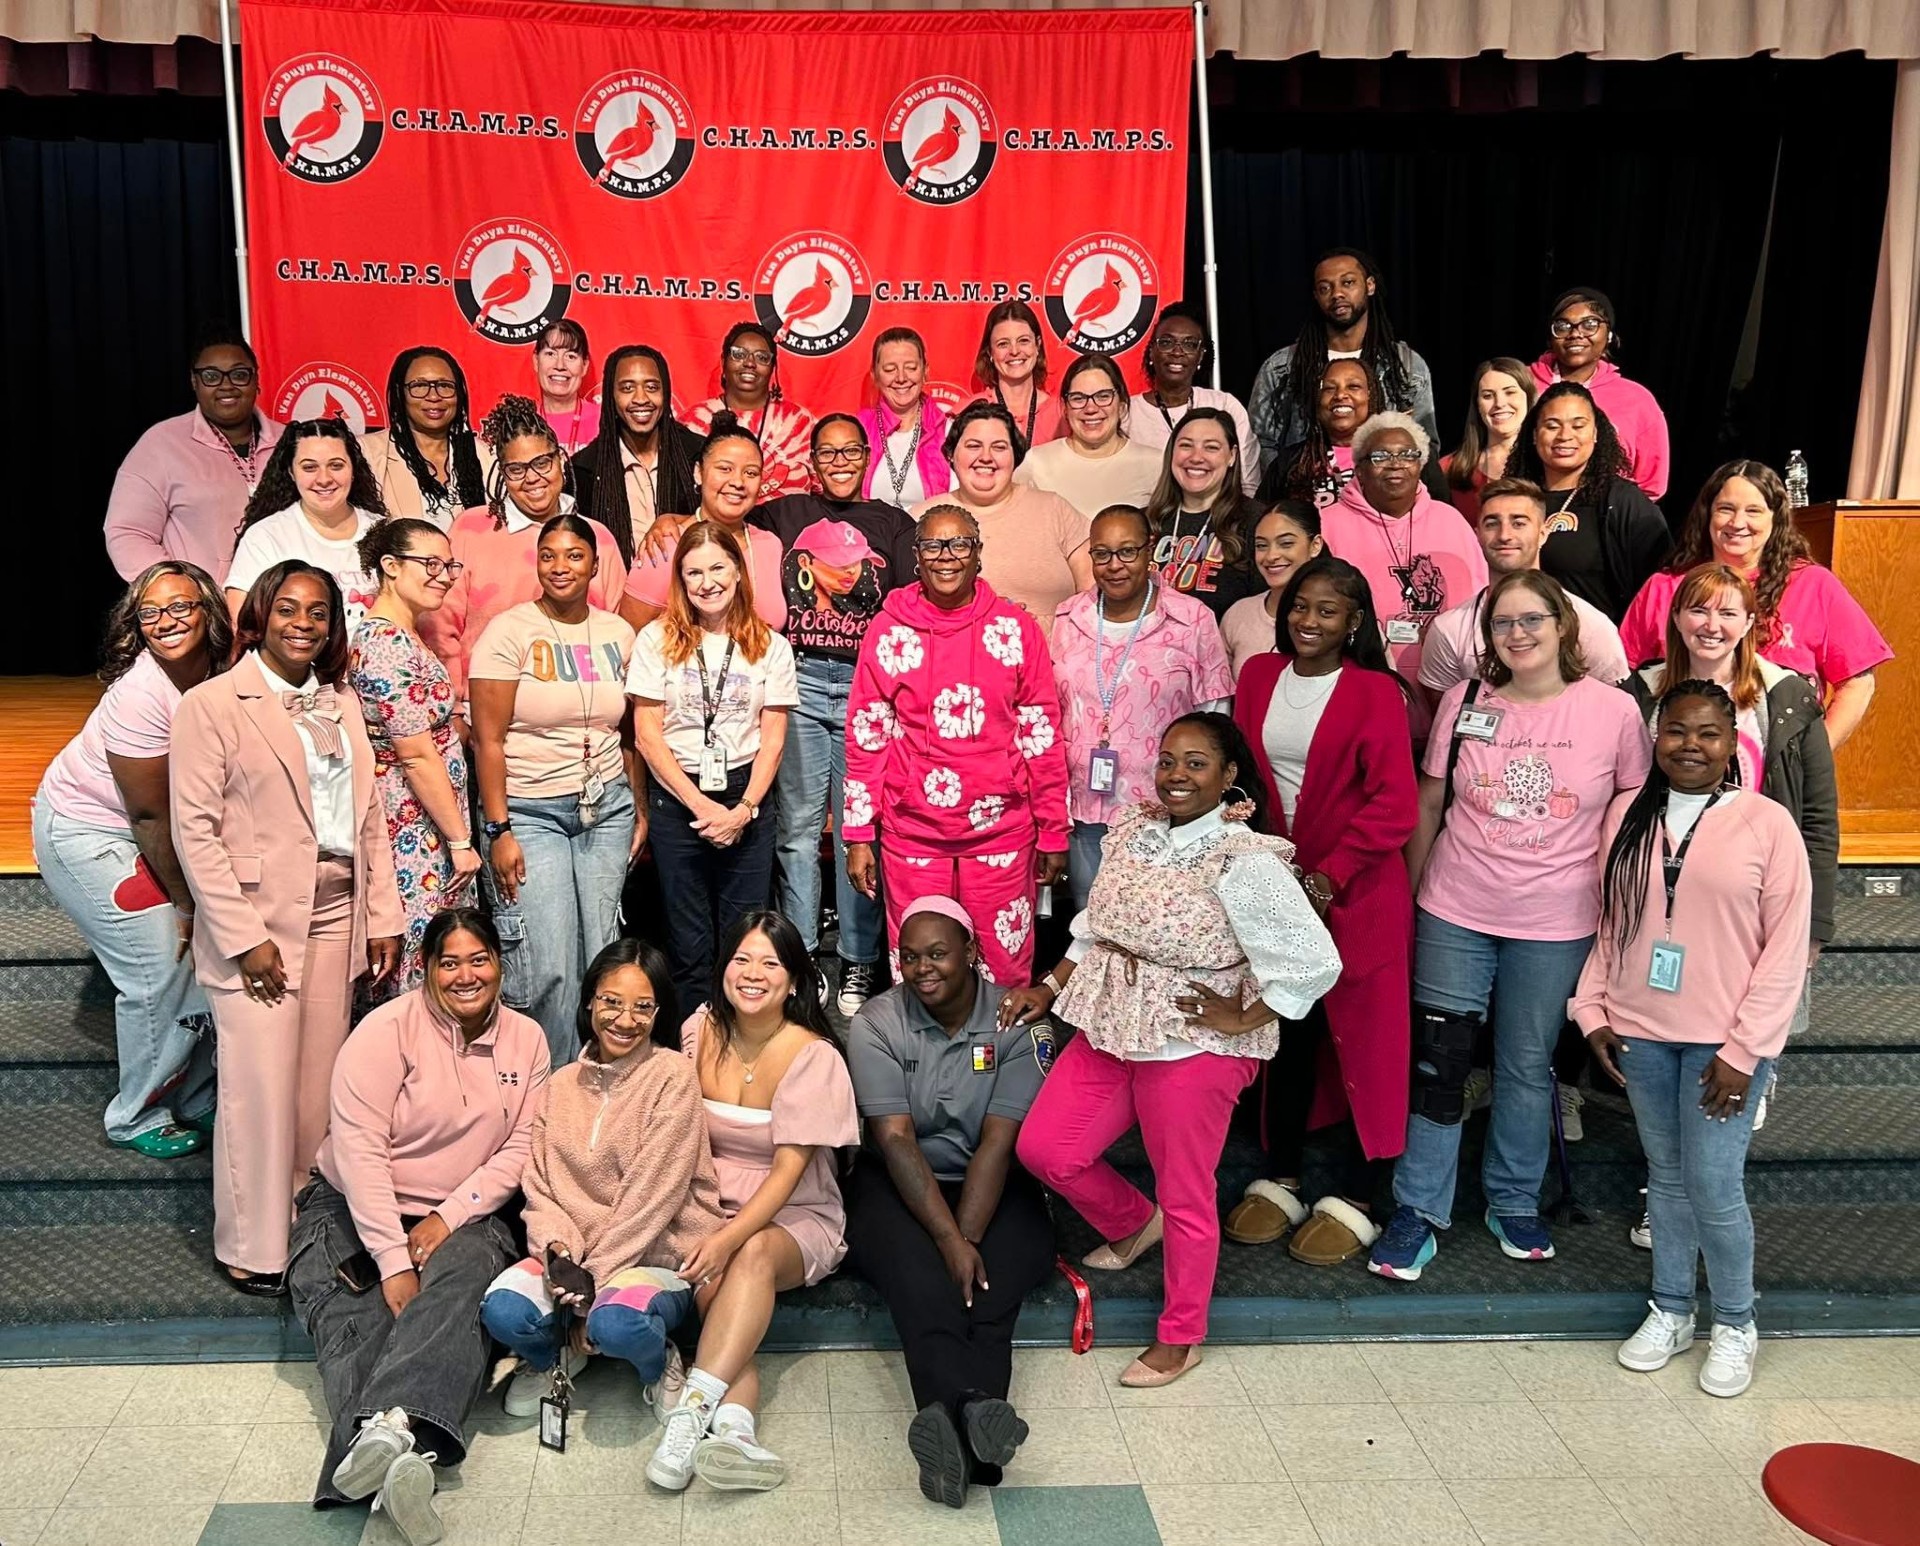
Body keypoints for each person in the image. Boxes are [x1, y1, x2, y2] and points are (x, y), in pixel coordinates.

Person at [1009, 714, 1340, 1386]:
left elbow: (1311, 958)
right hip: (1112, 1020)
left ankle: (1181, 1334)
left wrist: (1244, 1012)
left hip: (1192, 1040)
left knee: (1187, 1194)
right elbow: (1096, 927)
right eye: (1167, 760)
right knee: (1047, 1150)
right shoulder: (1137, 831)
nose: (1176, 775)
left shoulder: (1242, 858)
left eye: (1195, 763)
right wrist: (1051, 984)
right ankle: (1134, 1223)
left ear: (1228, 777)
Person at [1367, 568, 1650, 1281]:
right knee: (1439, 1063)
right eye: (1502, 623)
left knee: (1528, 1065)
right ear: (1485, 635)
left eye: (1532, 620)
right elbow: (1430, 806)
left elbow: (1630, 818)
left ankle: (1514, 1199)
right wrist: (1411, 897)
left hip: (1557, 919)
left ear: (1563, 626)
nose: (1517, 634)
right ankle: (1419, 1210)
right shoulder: (1466, 700)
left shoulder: (1613, 714)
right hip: (1456, 907)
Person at [171, 561, 405, 1292]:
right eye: (288, 610)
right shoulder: (212, 704)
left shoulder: (340, 704)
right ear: (261, 616)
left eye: (318, 613)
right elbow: (195, 831)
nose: (303, 624)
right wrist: (244, 937)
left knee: (316, 1091)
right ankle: (251, 1245)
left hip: (338, 908)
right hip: (259, 921)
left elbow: (367, 816)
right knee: (258, 1089)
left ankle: (303, 1233)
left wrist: (383, 913)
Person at [1575, 682, 1811, 1397]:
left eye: (1709, 734)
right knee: (1667, 1181)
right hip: (1643, 1031)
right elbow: (1611, 922)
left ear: (1732, 742)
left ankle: (1736, 1323)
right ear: (1657, 736)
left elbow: (1786, 950)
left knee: (1712, 1183)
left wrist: (1745, 1053)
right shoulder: (1627, 813)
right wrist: (1591, 1009)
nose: (1691, 746)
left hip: (1724, 1046)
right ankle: (1672, 1309)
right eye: (1678, 731)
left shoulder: (1767, 824)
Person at [291, 908, 548, 1540]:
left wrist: (447, 1215)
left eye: (479, 959)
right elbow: (360, 1153)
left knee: (457, 1297)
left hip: (466, 1210)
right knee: (366, 1321)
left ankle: (382, 1445)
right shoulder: (383, 1032)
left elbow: (520, 1147)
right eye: (449, 962)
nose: (466, 975)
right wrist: (393, 1260)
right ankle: (407, 1461)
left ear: (499, 962)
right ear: (426, 969)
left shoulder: (527, 1040)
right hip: (354, 1205)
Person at [1226, 558, 1416, 1261]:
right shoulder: (1257, 677)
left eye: (1326, 610)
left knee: (1366, 1040)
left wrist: (1329, 876)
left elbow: (1394, 805)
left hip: (1357, 889)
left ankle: (1363, 1194)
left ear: (1355, 621)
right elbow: (1242, 777)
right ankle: (1283, 1178)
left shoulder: (1375, 692)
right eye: (1299, 606)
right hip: (1277, 891)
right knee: (1288, 1035)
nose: (1308, 620)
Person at [843, 897, 1053, 1509]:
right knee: (926, 1285)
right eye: (909, 957)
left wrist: (966, 1240)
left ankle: (960, 1439)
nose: (921, 968)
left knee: (990, 1290)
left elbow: (997, 1141)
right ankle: (975, 1420)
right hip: (896, 1181)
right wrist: (947, 1242)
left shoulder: (1019, 1021)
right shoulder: (878, 1022)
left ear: (972, 954)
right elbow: (896, 1138)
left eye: (937, 954)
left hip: (994, 1180)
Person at [650, 912, 859, 1493]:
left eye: (770, 962)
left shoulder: (814, 1055)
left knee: (753, 1255)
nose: (752, 973)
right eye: (741, 959)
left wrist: (725, 1238)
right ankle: (736, 1429)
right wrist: (701, 1224)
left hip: (791, 1213)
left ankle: (688, 1416)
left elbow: (790, 1171)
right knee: (719, 1290)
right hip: (707, 1205)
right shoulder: (698, 1031)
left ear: (794, 980)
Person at [33, 561, 230, 1156]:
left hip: (154, 829)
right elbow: (149, 818)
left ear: (209, 611)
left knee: (204, 957)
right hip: (88, 832)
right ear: (136, 624)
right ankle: (137, 1115)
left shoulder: (224, 666)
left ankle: (195, 1096)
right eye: (151, 612)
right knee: (162, 961)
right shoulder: (140, 697)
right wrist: (187, 902)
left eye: (181, 607)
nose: (166, 621)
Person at [481, 938, 722, 1418]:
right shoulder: (560, 1085)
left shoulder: (672, 1076)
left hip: (658, 1252)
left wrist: (592, 1287)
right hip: (577, 1256)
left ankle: (661, 1365)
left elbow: (653, 1199)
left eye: (643, 1007)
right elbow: (541, 1186)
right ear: (590, 1000)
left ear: (659, 1013)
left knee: (616, 1323)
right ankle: (554, 1358)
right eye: (612, 1002)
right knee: (502, 1309)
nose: (626, 1020)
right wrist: (560, 1256)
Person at [843, 506, 1071, 986]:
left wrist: (1052, 829)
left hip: (1002, 833)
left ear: (979, 554)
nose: (946, 556)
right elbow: (868, 735)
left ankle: (998, 1057)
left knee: (1003, 969)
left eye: (959, 544)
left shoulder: (1015, 630)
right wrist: (859, 834)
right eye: (933, 546)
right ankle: (926, 1061)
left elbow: (1041, 735)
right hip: (913, 835)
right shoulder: (888, 632)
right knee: (922, 970)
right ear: (917, 557)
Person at [755, 417, 918, 1015]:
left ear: (868, 455)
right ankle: (797, 963)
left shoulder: (892, 524)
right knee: (797, 832)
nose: (841, 460)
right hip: (797, 683)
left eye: (852, 450)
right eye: (829, 452)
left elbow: (908, 605)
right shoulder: (784, 513)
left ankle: (858, 961)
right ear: (813, 460)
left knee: (861, 831)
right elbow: (721, 533)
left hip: (864, 690)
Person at [470, 514, 639, 1070]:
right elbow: (488, 740)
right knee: (549, 966)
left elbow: (629, 731)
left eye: (573, 555)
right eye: (549, 555)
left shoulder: (617, 633)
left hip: (606, 807)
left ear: (594, 563)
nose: (560, 566)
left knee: (601, 960)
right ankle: (546, 1090)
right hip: (530, 810)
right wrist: (499, 829)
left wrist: (636, 808)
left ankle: (603, 1083)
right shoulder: (509, 631)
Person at [1628, 563, 1837, 971]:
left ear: (1748, 623)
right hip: (1656, 891)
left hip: (1754, 895)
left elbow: (1817, 818)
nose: (1711, 625)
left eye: (1727, 614)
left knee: (1751, 1023)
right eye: (1698, 610)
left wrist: (1814, 923)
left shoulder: (1787, 699)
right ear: (1676, 617)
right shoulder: (1638, 694)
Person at [628, 521, 796, 1017]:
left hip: (747, 794)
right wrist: (700, 803)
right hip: (677, 796)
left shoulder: (770, 646)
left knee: (744, 935)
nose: (707, 582)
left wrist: (742, 810)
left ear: (739, 572)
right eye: (694, 572)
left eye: (718, 568)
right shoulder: (655, 640)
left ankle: (740, 1038)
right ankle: (692, 1047)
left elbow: (773, 741)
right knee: (687, 939)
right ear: (680, 579)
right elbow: (647, 736)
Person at [1618, 461, 1891, 750]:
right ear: (1706, 515)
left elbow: (1858, 683)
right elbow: (1623, 681)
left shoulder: (1813, 584)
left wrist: (1809, 760)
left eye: (1753, 511)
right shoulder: (1665, 587)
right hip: (1681, 768)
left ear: (1776, 519)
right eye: (1725, 509)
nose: (1737, 522)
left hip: (1776, 776)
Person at [1051, 505, 1234, 907]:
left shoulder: (1192, 619)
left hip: (1164, 807)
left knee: (1157, 921)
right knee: (1091, 920)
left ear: (1150, 550)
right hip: (1085, 807)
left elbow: (1215, 716)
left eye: (1128, 552)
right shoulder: (1067, 618)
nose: (1114, 566)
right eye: (1102, 554)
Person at [417, 395, 626, 711]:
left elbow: (619, 629)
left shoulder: (598, 537)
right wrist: (455, 707)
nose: (532, 478)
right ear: (501, 472)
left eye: (542, 463)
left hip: (582, 710)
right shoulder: (470, 530)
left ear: (560, 459)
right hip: (486, 712)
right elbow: (438, 627)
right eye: (516, 469)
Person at [350, 519, 480, 998]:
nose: (444, 575)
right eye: (431, 564)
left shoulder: (405, 635)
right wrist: (460, 839)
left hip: (428, 822)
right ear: (389, 566)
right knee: (422, 961)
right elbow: (416, 755)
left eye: (450, 565)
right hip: (412, 830)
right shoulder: (384, 644)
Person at [1320, 414, 1487, 722]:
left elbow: (1479, 606)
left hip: (1447, 691)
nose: (1396, 463)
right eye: (1381, 456)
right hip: (1361, 691)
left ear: (1421, 464)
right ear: (1358, 468)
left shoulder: (1451, 521)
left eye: (1407, 454)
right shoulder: (1327, 524)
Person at [105, 325, 284, 585]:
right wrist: (181, 591)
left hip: (284, 611)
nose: (227, 385)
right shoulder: (161, 444)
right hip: (202, 614)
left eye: (239, 374)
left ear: (256, 380)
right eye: (212, 376)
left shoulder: (292, 441)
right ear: (194, 381)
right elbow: (127, 532)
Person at [1419, 477, 1630, 696]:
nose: (1504, 536)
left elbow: (1613, 711)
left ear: (1542, 534)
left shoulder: (1589, 625)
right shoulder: (1448, 630)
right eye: (1492, 524)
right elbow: (1444, 715)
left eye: (1518, 523)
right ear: (1477, 536)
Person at [1248, 248, 1438, 472]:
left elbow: (1425, 445)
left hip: (1383, 499)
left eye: (1347, 283)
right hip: (1306, 498)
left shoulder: (1406, 364)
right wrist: (1292, 487)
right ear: (1316, 296)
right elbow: (1261, 443)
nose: (1337, 293)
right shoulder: (1283, 367)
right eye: (1325, 288)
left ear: (1370, 286)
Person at [912, 401, 1092, 636]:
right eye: (973, 446)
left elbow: (1092, 593)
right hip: (955, 660)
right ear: (951, 454)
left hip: (1053, 660)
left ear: (1015, 457)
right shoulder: (920, 518)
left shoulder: (1055, 509)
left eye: (999, 447)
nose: (986, 457)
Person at [1499, 381, 1669, 624]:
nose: (1565, 436)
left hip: (1594, 651)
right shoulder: (1513, 499)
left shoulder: (1624, 502)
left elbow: (1659, 590)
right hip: (1520, 643)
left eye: (1578, 425)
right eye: (1552, 426)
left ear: (1596, 433)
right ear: (1535, 435)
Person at [621, 413, 787, 633]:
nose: (737, 482)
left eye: (750, 473)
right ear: (698, 473)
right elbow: (628, 637)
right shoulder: (666, 545)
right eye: (724, 469)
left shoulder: (770, 546)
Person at [226, 419, 387, 634]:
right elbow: (242, 625)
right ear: (291, 473)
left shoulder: (384, 531)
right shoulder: (265, 537)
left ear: (353, 469)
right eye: (310, 467)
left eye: (336, 465)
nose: (324, 479)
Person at [1260, 357, 1452, 511]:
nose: (1340, 395)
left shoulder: (1408, 456)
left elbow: (1441, 516)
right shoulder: (1291, 462)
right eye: (1329, 388)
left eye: (1353, 387)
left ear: (1371, 395)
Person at [1530, 287, 1669, 500]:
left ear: (1610, 334)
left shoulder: (1637, 400)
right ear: (1550, 337)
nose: (1576, 333)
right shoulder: (1520, 384)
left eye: (1590, 325)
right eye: (1563, 326)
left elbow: (1651, 484)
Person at [573, 343, 703, 564]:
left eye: (652, 387)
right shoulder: (584, 469)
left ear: (666, 392)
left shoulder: (698, 455)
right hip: (617, 594)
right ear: (611, 396)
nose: (641, 398)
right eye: (627, 388)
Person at [1123, 303, 1259, 494]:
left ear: (1201, 356)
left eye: (1189, 344)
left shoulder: (1224, 405)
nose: (1177, 352)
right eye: (1166, 342)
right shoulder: (1127, 413)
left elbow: (1248, 485)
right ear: (1152, 351)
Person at [1144, 407, 1264, 619]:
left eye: (1211, 447)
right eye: (1186, 446)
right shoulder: (1142, 522)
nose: (1196, 457)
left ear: (1232, 456)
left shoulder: (1259, 522)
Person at [357, 346, 491, 529]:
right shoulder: (368, 454)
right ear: (400, 393)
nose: (434, 396)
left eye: (445, 386)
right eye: (419, 386)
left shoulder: (487, 457)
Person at [1014, 354, 1161, 515]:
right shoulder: (1037, 462)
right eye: (1078, 398)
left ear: (1121, 405)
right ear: (1065, 408)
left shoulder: (1154, 464)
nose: (1090, 408)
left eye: (1103, 396)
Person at [688, 323, 815, 502]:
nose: (749, 363)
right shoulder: (694, 421)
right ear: (724, 361)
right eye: (739, 354)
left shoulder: (800, 422)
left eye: (762, 357)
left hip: (789, 528)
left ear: (772, 368)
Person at [1219, 501, 1324, 678]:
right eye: (1261, 546)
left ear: (1315, 545)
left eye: (1286, 543)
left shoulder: (1341, 613)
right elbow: (1221, 699)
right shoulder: (1238, 614)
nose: (1271, 556)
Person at [858, 327, 953, 509]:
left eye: (911, 367)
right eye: (889, 369)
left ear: (925, 371)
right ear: (875, 375)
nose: (901, 378)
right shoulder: (858, 430)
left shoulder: (950, 431)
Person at [1440, 357, 1538, 523]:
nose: (1499, 403)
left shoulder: (1549, 465)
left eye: (1510, 392)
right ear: (1477, 405)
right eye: (1488, 396)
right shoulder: (1448, 469)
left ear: (1528, 398)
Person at [968, 299, 1061, 449]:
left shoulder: (1062, 415)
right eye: (1003, 344)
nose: (1015, 351)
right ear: (990, 352)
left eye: (1023, 341)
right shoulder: (968, 413)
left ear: (1037, 345)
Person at [533, 319, 599, 454]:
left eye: (571, 356)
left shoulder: (603, 420)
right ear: (536, 361)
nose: (560, 366)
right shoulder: (523, 423)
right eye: (550, 354)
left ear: (584, 366)